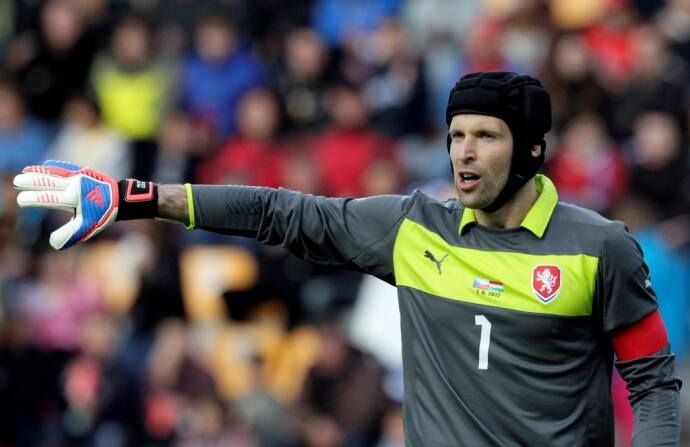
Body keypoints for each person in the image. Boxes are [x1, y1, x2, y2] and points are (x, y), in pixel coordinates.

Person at [13, 71, 682, 446]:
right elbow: (279, 211)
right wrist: (137, 198)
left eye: (487, 135)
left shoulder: (600, 248)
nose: (464, 153)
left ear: (533, 149)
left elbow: (653, 384)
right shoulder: (413, 229)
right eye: (456, 135)